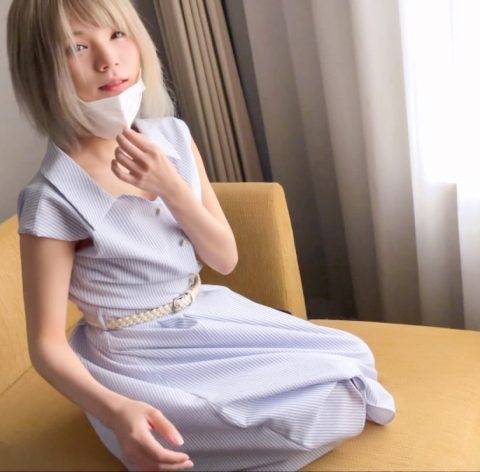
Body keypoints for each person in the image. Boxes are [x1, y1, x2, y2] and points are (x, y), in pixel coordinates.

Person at [7, 0, 396, 471]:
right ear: (41, 69)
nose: (107, 60)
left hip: (205, 314)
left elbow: (224, 258)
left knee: (353, 359)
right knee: (307, 413)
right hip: (136, 358)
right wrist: (116, 409)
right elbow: (46, 345)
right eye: (77, 47)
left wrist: (170, 186)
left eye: (117, 35)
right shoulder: (52, 197)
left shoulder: (172, 136)